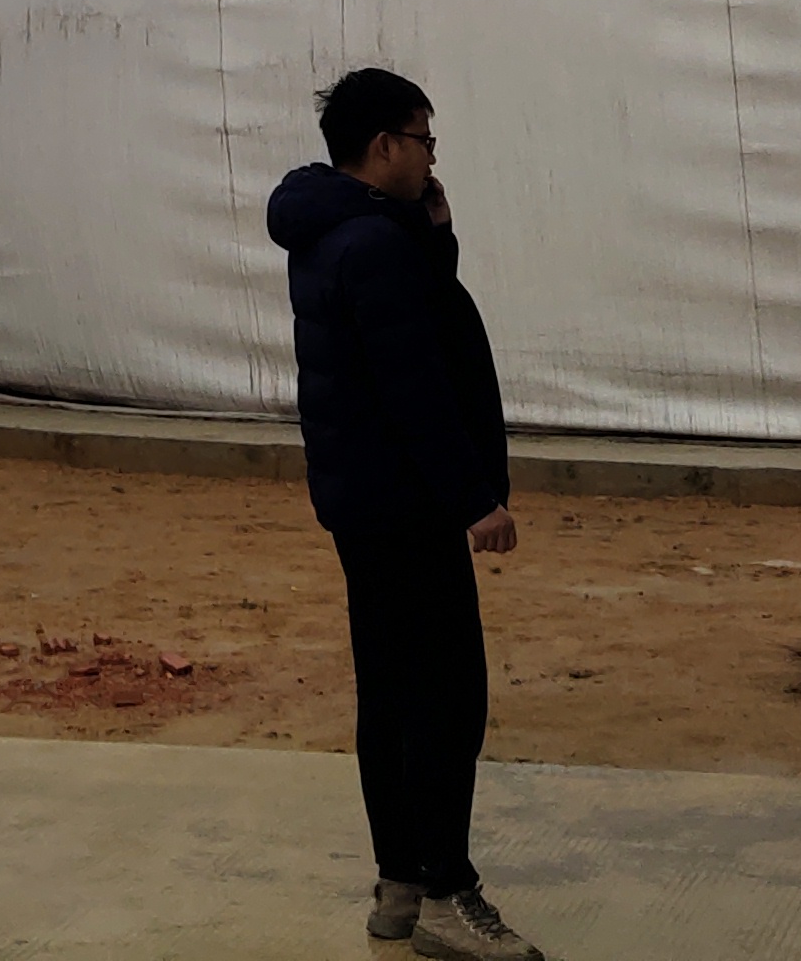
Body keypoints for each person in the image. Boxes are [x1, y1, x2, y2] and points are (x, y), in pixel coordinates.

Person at [268, 66, 546, 961]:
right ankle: (445, 890)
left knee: (389, 692)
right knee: (446, 696)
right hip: (409, 504)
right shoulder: (375, 244)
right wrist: (475, 500)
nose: (431, 156)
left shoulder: (333, 229)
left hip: (363, 501)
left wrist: (435, 235)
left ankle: (400, 884)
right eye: (424, 139)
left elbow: (413, 327)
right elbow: (417, 384)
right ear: (384, 144)